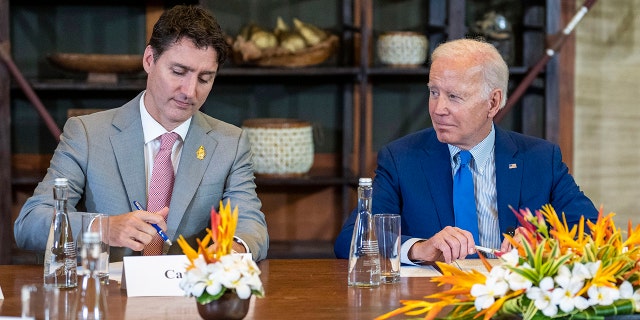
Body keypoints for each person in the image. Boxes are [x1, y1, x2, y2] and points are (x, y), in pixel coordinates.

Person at [14, 5, 269, 262]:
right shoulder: (88, 134)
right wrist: (103, 228)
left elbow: (250, 223)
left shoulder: (230, 143)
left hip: (190, 294)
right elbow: (31, 222)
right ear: (149, 60)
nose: (190, 91)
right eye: (178, 72)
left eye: (205, 78)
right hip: (110, 295)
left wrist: (231, 251)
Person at [334, 38, 597, 264]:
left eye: (454, 97)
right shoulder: (401, 158)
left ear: (492, 102)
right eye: (434, 92)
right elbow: (351, 240)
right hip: (432, 301)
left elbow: (593, 231)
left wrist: (544, 243)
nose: (438, 108)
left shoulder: (540, 159)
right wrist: (418, 249)